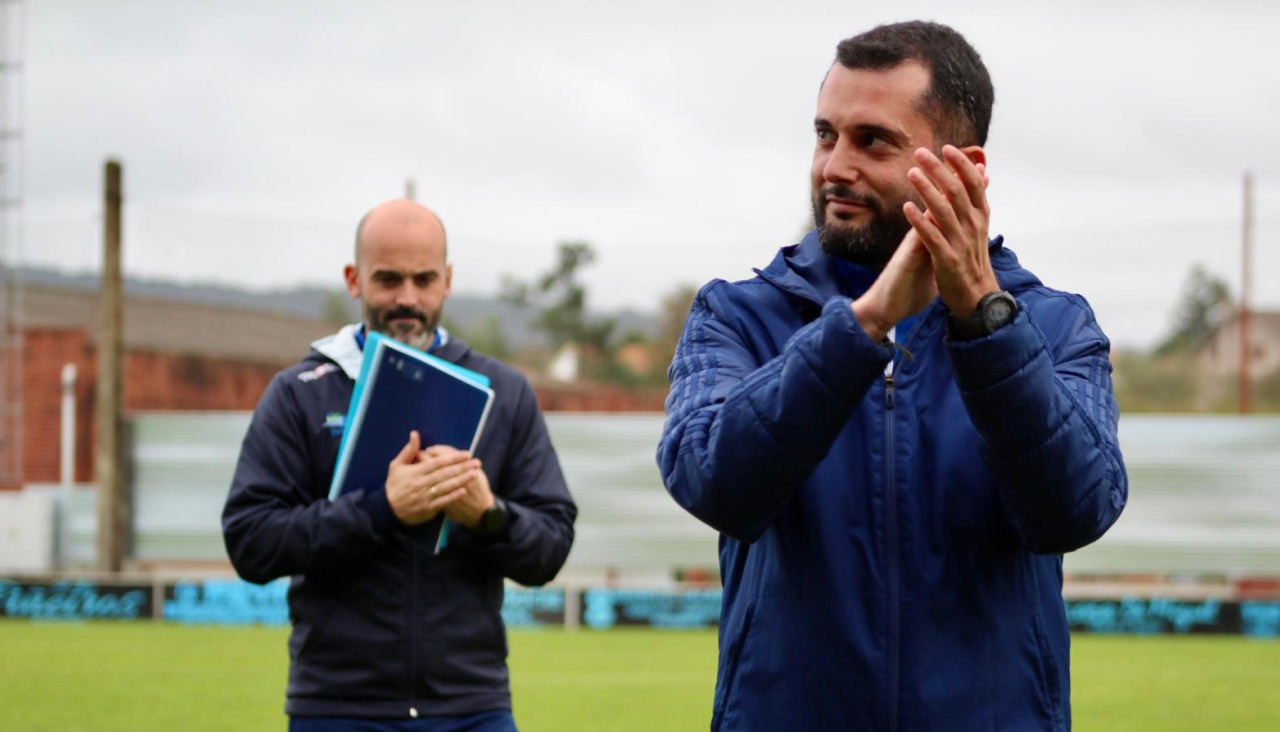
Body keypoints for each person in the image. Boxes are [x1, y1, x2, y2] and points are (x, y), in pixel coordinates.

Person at [657, 21, 1127, 731]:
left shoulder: (1056, 327)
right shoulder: (736, 315)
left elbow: (1077, 509)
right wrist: (863, 326)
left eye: (872, 141)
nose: (834, 167)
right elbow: (711, 481)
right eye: (825, 135)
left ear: (963, 169)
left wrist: (985, 324)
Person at [223, 199, 576, 731]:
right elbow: (250, 540)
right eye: (388, 279)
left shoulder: (503, 392)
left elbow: (550, 547)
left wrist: (488, 514)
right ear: (354, 279)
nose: (407, 298)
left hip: (471, 706)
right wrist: (380, 510)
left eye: (423, 279)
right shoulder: (301, 392)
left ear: (448, 280)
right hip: (337, 707)